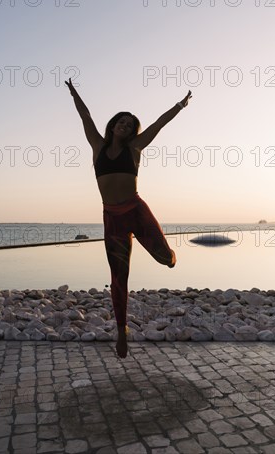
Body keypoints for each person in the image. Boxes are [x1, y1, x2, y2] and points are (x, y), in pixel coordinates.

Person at [65, 77, 192, 358]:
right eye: (120, 121)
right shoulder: (97, 145)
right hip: (112, 219)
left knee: (163, 259)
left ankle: (170, 255)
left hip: (136, 211)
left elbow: (159, 123)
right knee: (119, 277)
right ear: (112, 125)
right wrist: (74, 92)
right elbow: (85, 116)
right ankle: (121, 330)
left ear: (133, 131)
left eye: (129, 124)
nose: (124, 125)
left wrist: (180, 106)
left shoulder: (135, 148)